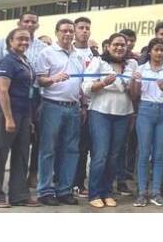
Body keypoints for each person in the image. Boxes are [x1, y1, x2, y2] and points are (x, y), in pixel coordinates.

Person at [0, 13, 48, 190]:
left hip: (27, 104)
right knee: (0, 149)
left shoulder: (33, 52)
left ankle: (19, 192)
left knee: (22, 150)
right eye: (25, 21)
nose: (29, 24)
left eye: (33, 22)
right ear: (10, 40)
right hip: (7, 103)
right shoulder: (5, 54)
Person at [83, 33, 137, 208]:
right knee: (101, 154)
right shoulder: (98, 62)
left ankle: (107, 191)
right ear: (108, 46)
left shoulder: (133, 64)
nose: (119, 48)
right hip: (100, 112)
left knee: (114, 155)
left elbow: (135, 93)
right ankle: (94, 193)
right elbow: (86, 88)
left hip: (123, 113)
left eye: (123, 45)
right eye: (116, 44)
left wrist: (135, 84)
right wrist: (103, 83)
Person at [35, 19, 84, 206]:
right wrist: (53, 79)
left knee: (71, 150)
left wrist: (83, 105)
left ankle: (65, 189)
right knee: (48, 150)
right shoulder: (47, 53)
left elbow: (80, 83)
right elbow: (40, 81)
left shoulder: (78, 56)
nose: (68, 34)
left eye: (71, 31)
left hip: (74, 107)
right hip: (52, 105)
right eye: (64, 31)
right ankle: (45, 190)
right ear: (57, 33)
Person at [130, 38, 163, 206]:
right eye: (156, 49)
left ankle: (156, 192)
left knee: (160, 154)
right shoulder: (141, 69)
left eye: (162, 50)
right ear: (150, 52)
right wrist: (134, 81)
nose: (159, 53)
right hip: (145, 110)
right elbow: (135, 95)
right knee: (144, 153)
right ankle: (142, 192)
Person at [72, 16, 96, 197]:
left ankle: (79, 182)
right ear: (74, 30)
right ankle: (62, 180)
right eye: (81, 27)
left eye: (87, 28)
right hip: (71, 105)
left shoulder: (94, 55)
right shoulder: (68, 52)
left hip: (90, 107)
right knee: (67, 146)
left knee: (84, 147)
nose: (84, 30)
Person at [116, 27, 139, 195]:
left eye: (131, 41)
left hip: (130, 109)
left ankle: (122, 179)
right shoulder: (107, 59)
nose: (128, 44)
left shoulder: (135, 62)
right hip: (106, 110)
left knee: (124, 146)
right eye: (126, 41)